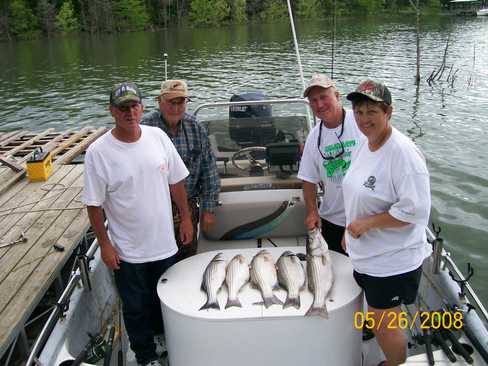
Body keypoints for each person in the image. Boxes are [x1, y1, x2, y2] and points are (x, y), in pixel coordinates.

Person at [82, 82, 193, 366]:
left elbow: (177, 182)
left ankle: (166, 341)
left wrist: (186, 218)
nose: (129, 112)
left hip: (165, 244)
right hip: (128, 249)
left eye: (134, 106)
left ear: (143, 107)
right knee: (135, 307)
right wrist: (105, 246)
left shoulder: (158, 137)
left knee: (166, 301)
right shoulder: (98, 152)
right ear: (112, 112)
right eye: (123, 108)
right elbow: (94, 205)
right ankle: (145, 356)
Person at [343, 80, 431, 366]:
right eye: (358, 111)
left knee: (384, 324)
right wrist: (350, 229)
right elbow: (358, 193)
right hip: (366, 255)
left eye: (372, 111)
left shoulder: (403, 153)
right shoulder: (365, 145)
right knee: (377, 317)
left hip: (391, 262)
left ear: (389, 112)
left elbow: (414, 212)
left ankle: (393, 364)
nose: (363, 119)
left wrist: (366, 225)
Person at [142, 79, 220, 262]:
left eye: (181, 102)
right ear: (159, 102)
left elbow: (209, 171)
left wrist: (208, 209)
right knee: (158, 259)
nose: (176, 107)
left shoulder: (196, 127)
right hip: (155, 207)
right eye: (171, 102)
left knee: (187, 255)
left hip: (188, 205)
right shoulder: (145, 128)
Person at [298, 73, 363, 254]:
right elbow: (308, 180)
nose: (319, 104)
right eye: (313, 100)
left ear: (337, 96)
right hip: (331, 219)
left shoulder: (361, 122)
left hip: (364, 219)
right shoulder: (313, 137)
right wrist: (312, 212)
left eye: (323, 97)